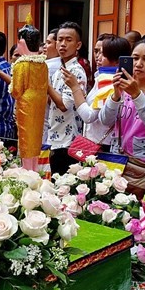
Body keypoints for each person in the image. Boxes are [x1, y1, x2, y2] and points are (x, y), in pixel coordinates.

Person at [99, 38, 145, 190]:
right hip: (122, 159)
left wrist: (136, 94)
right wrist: (116, 95)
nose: (138, 64)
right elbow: (105, 120)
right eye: (134, 58)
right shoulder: (125, 83)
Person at [63, 35, 130, 153]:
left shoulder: (109, 81)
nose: (98, 57)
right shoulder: (102, 77)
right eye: (97, 52)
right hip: (98, 142)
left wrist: (75, 88)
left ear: (116, 60)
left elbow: (88, 116)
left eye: (103, 54)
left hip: (102, 145)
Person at [47, 21, 87, 175]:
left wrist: (47, 85)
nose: (62, 44)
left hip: (68, 142)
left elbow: (64, 105)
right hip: (57, 137)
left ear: (78, 45)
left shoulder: (75, 71)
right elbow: (54, 103)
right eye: (59, 39)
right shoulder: (60, 70)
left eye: (68, 40)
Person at [10, 25, 48, 171]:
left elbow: (16, 91)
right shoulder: (42, 64)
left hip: (26, 104)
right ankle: (34, 169)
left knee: (26, 139)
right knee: (36, 138)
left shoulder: (22, 65)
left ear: (22, 43)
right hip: (39, 102)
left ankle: (28, 172)